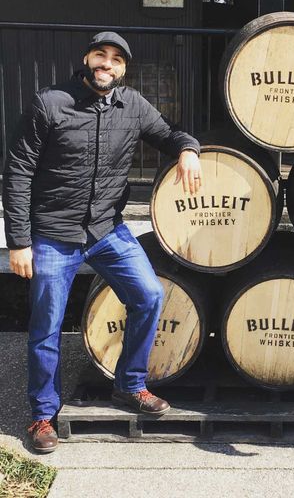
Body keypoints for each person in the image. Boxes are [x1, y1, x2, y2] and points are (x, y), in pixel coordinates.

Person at [2, 31, 203, 453]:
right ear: (87, 58)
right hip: (54, 233)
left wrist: (188, 149)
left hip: (106, 229)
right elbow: (18, 172)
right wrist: (18, 241)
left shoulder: (133, 105)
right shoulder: (50, 103)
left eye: (116, 59)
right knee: (46, 326)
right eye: (100, 55)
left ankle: (129, 385)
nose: (106, 64)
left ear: (123, 68)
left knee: (148, 295)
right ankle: (42, 414)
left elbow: (169, 133)